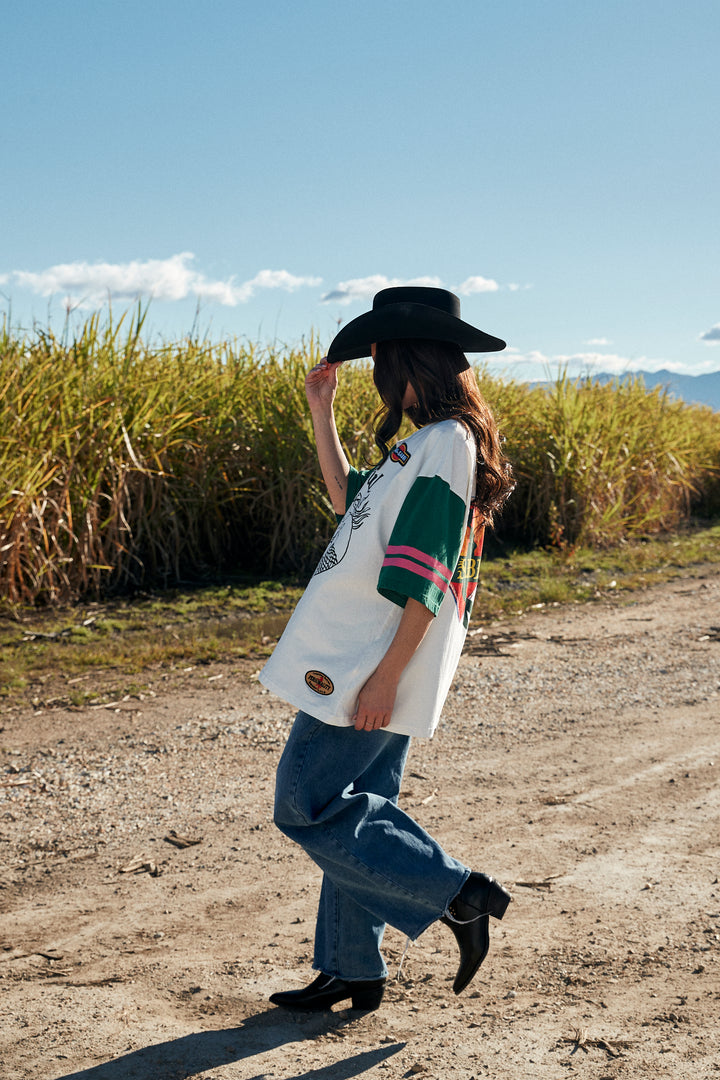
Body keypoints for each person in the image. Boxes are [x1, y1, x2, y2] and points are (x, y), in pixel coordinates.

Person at [259, 286, 515, 1013]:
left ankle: (458, 893)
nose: (372, 366)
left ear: (407, 357)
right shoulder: (423, 444)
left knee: (305, 804)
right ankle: (352, 966)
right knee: (361, 804)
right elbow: (350, 502)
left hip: (369, 661)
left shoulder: (445, 447)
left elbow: (424, 574)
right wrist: (321, 410)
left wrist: (385, 678)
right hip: (370, 657)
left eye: (378, 354)